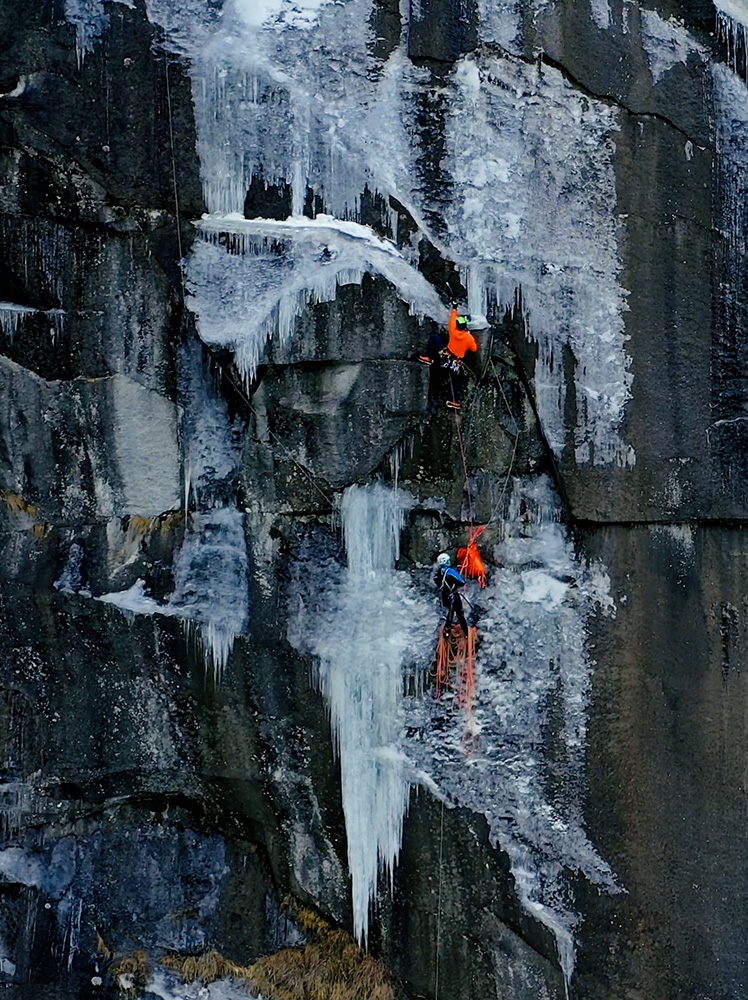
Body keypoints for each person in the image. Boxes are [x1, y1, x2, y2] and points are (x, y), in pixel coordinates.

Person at [420, 308, 479, 410]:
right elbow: (474, 349)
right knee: (456, 380)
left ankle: (429, 357)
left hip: (445, 357)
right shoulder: (468, 338)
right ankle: (456, 401)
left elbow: (452, 319)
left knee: (435, 338)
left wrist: (455, 309)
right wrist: (469, 335)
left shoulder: (453, 330)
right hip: (455, 363)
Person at [434, 552, 469, 635]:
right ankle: (466, 632)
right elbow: (461, 581)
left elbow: (436, 580)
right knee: (459, 614)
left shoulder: (439, 572)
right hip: (453, 595)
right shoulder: (450, 571)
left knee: (450, 612)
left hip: (444, 595)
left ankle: (447, 631)